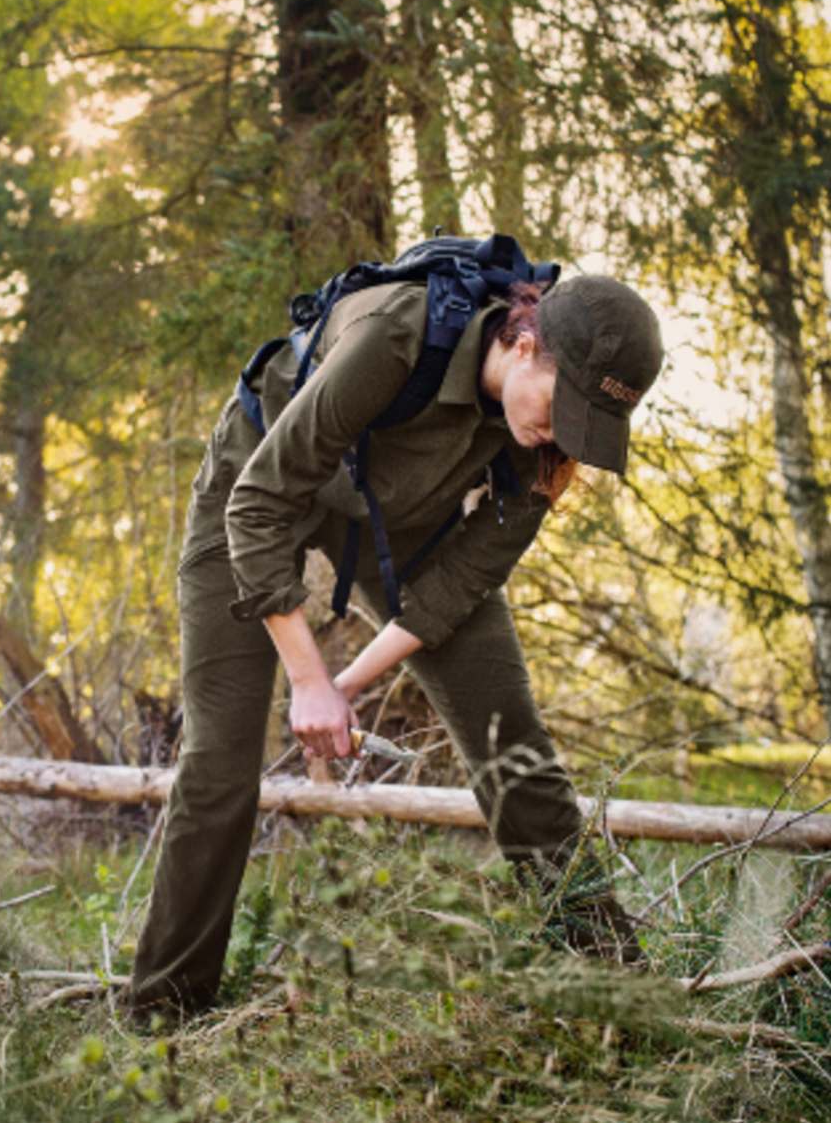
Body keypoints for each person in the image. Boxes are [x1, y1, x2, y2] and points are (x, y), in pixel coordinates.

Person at [129, 247, 664, 1019]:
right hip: (262, 484)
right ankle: (164, 1014)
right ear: (521, 343)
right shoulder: (396, 336)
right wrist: (307, 679)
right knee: (220, 762)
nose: (564, 435)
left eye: (588, 425)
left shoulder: (544, 451)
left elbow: (448, 591)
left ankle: (619, 995)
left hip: (402, 520)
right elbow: (259, 506)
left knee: (512, 742)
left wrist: (343, 685)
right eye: (563, 405)